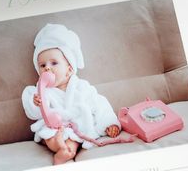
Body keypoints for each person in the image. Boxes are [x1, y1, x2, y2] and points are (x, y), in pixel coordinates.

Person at [22, 24, 120, 165]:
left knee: (74, 139)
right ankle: (59, 145)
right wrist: (36, 102)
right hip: (53, 125)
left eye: (54, 63)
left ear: (69, 70)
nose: (47, 67)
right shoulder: (41, 90)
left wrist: (109, 123)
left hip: (76, 127)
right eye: (42, 65)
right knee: (48, 134)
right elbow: (34, 113)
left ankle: (66, 150)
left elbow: (99, 104)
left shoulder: (81, 87)